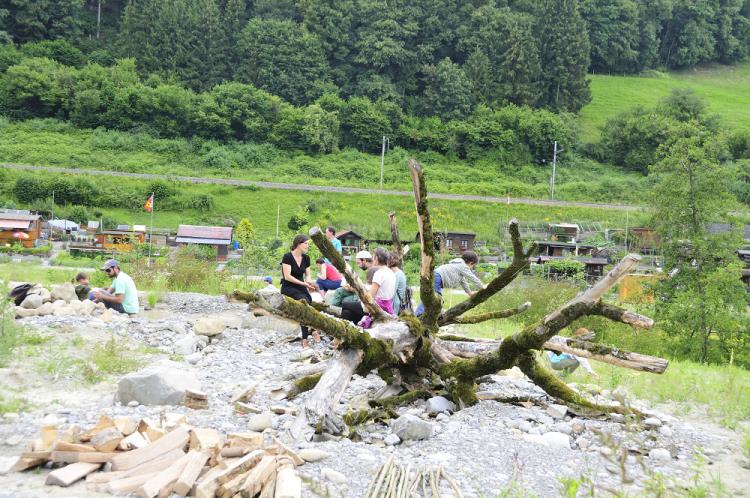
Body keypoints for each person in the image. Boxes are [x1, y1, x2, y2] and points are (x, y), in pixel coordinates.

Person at [415, 251, 486, 316]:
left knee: (434, 299)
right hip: (437, 278)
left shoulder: (458, 266)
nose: (471, 268)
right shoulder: (463, 266)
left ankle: (424, 314)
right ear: (471, 263)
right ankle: (418, 314)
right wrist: (482, 286)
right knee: (433, 299)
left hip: (436, 277)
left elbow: (463, 282)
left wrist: (469, 293)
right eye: (473, 266)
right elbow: (472, 277)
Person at [280, 234, 319, 347]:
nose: (308, 246)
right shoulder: (287, 257)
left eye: (308, 244)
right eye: (306, 243)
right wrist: (304, 283)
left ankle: (313, 329)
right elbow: (287, 276)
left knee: (309, 300)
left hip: (301, 286)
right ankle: (305, 337)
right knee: (304, 302)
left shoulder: (306, 258)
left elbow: (308, 276)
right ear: (298, 244)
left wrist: (310, 283)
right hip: (288, 287)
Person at [358, 248, 396, 328]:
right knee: (349, 309)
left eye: (373, 257)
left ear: (376, 258)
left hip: (379, 306)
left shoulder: (379, 273)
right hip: (388, 306)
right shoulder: (391, 272)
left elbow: (370, 296)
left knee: (347, 307)